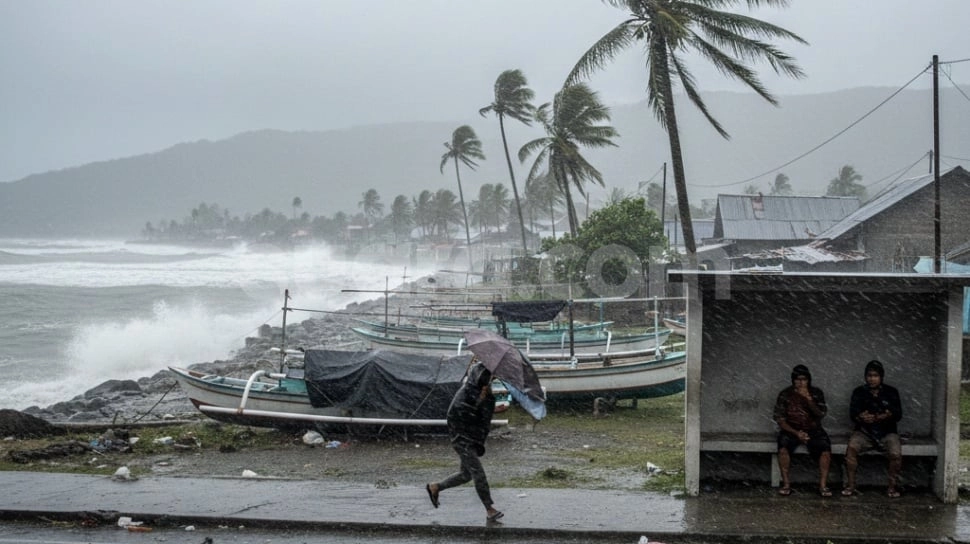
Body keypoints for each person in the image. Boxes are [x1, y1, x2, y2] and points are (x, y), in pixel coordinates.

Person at [426, 361, 503, 521]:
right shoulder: (468, 392)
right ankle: (489, 509)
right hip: (462, 438)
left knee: (466, 474)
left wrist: (491, 407)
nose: (492, 381)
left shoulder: (480, 392)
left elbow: (477, 411)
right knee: (478, 474)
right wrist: (479, 403)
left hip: (472, 438)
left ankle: (436, 487)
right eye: (490, 378)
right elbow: (459, 413)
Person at [843, 359, 903, 498]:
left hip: (887, 432)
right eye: (869, 376)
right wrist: (861, 417)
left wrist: (882, 416)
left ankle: (892, 487)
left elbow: (898, 414)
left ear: (881, 377)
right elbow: (852, 414)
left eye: (875, 376)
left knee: (895, 454)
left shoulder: (891, 392)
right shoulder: (859, 392)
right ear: (865, 377)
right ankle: (851, 485)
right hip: (864, 432)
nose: (872, 379)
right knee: (851, 449)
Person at [773, 364, 832, 496]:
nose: (801, 382)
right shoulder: (785, 394)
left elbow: (821, 413)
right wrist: (796, 433)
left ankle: (823, 485)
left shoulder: (816, 393)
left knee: (825, 450)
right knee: (783, 448)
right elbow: (780, 419)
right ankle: (786, 484)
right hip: (791, 430)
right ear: (793, 380)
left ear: (808, 380)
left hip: (813, 429)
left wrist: (808, 399)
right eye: (798, 379)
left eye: (804, 379)